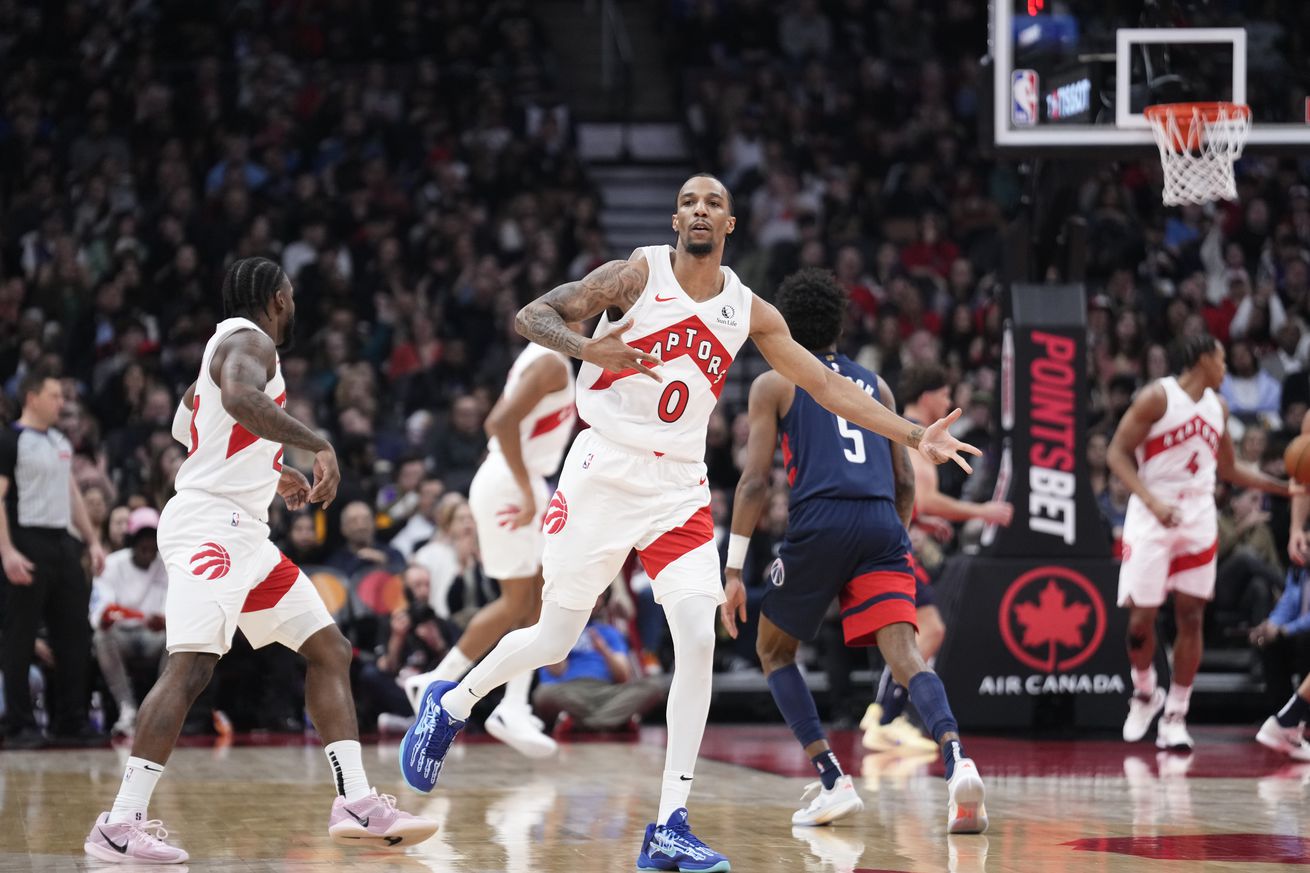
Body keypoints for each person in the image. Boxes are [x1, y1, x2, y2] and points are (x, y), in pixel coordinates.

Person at [400, 174, 980, 872]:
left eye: (713, 203)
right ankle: (452, 701)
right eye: (688, 202)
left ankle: (670, 823)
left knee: (699, 639)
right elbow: (534, 314)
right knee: (554, 635)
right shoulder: (636, 274)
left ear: (729, 223)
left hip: (677, 485)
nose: (699, 210)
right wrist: (590, 349)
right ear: (676, 219)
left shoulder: (747, 309)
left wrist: (914, 435)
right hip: (604, 470)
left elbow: (826, 386)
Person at [83, 257, 436, 865]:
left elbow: (193, 426)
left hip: (246, 534)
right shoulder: (252, 343)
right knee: (191, 667)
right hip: (210, 530)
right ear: (276, 299)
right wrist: (315, 443)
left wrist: (272, 469)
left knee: (329, 649)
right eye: (291, 295)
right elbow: (240, 398)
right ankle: (119, 823)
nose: (293, 305)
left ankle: (355, 802)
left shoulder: (220, 347)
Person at [720, 268, 987, 833]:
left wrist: (735, 568)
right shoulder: (878, 386)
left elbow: (754, 483)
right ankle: (958, 759)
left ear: (783, 326)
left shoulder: (775, 382)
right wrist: (892, 543)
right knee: (906, 655)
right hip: (881, 522)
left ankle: (832, 781)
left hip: (820, 519)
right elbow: (906, 481)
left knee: (773, 650)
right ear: (840, 326)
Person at [1108, 334, 1291, 752]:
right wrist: (1152, 501)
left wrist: (1284, 487)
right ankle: (1145, 692)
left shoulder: (1218, 407)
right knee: (1140, 621)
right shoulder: (1158, 397)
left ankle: (1176, 714)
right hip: (1153, 511)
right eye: (1221, 359)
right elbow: (1117, 453)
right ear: (1203, 358)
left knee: (1191, 616)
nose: (1226, 368)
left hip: (1198, 516)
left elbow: (1230, 469)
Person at [402, 334, 577, 758]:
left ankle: (514, 705)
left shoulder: (547, 357)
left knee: (537, 597)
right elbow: (499, 423)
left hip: (522, 479)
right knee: (516, 603)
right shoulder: (550, 362)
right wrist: (525, 489)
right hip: (512, 483)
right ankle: (436, 680)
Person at [864, 364, 1013, 751]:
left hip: (884, 533)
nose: (948, 403)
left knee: (917, 631)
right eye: (945, 395)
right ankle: (883, 717)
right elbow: (925, 497)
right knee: (927, 629)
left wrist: (924, 519)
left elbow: (908, 495)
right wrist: (982, 511)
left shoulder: (899, 427)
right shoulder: (915, 432)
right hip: (890, 541)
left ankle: (885, 715)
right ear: (927, 395)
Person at [1, 365, 108, 749]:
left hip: (63, 542)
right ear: (32, 398)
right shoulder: (9, 439)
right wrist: (7, 551)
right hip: (24, 541)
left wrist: (92, 541)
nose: (62, 402)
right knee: (20, 637)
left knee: (75, 634)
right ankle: (19, 725)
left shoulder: (60, 440)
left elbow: (72, 492)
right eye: (54, 396)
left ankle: (72, 721)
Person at [533, 593, 668, 733]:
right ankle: (612, 721)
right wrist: (564, 638)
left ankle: (577, 723)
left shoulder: (610, 632)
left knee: (654, 687)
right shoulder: (557, 630)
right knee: (543, 694)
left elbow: (623, 676)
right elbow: (557, 671)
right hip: (568, 691)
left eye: (600, 596)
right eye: (593, 594)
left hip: (606, 692)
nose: (596, 600)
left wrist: (604, 650)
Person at [89, 506, 169, 737]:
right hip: (121, 635)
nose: (147, 545)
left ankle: (161, 710)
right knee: (102, 637)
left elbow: (172, 607)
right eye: (142, 538)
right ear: (132, 540)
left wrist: (165, 621)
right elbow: (100, 610)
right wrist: (106, 618)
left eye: (152, 538)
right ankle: (127, 708)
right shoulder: (112, 564)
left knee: (176, 640)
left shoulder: (167, 566)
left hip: (154, 637)